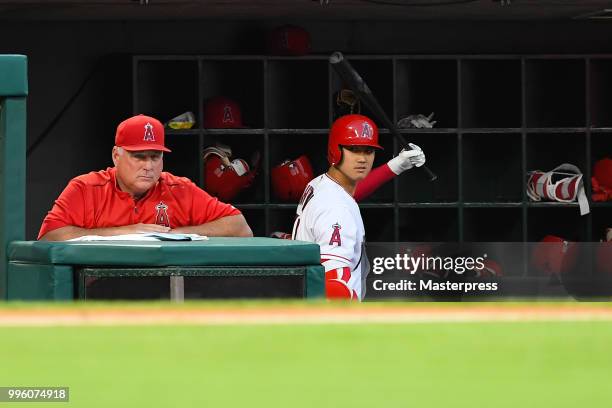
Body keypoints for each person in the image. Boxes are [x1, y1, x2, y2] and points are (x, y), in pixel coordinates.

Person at [38, 114, 252, 241]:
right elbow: (50, 236)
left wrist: (173, 235)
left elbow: (240, 228)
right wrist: (127, 234)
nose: (148, 166)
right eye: (138, 157)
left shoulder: (178, 188)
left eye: (155, 156)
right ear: (116, 155)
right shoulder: (86, 188)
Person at [291, 114, 425, 300]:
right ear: (334, 150)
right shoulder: (336, 208)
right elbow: (334, 282)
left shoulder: (321, 183)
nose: (362, 159)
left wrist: (397, 165)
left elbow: (350, 193)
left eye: (368, 151)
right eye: (354, 149)